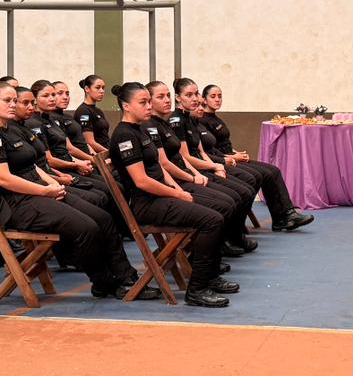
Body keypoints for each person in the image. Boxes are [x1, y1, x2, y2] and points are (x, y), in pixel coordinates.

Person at [0, 81, 152, 300]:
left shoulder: (11, 130)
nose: (13, 105)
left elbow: (32, 166)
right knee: (86, 227)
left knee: (104, 218)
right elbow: (3, 178)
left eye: (15, 100)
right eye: (7, 100)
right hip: (20, 204)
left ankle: (127, 278)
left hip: (40, 192)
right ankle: (103, 282)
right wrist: (44, 191)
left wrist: (52, 184)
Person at [109, 82, 236, 307]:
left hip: (162, 197)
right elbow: (142, 181)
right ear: (126, 106)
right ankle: (197, 289)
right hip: (146, 204)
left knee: (221, 208)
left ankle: (209, 276)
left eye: (149, 101)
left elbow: (159, 167)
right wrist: (177, 195)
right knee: (212, 220)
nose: (149, 106)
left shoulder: (140, 128)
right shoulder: (124, 136)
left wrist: (178, 190)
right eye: (143, 102)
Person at [173, 78, 312, 233]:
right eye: (212, 97)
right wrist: (224, 161)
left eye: (220, 96)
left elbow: (208, 150)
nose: (217, 99)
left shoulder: (201, 120)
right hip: (209, 166)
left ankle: (285, 215)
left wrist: (232, 154)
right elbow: (194, 155)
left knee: (272, 170)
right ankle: (237, 230)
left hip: (219, 160)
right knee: (253, 179)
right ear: (179, 97)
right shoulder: (186, 121)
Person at [144, 81, 256, 257]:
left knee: (240, 192)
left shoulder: (166, 123)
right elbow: (164, 164)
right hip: (176, 183)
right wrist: (189, 181)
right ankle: (207, 257)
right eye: (160, 97)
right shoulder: (157, 125)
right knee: (226, 204)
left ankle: (220, 245)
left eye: (167, 96)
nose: (167, 100)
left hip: (188, 175)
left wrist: (200, 173)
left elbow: (184, 156)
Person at [74, 74, 111, 154]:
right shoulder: (83, 111)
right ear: (87, 89)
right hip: (99, 156)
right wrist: (110, 153)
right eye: (97, 88)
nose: (102, 91)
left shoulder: (98, 110)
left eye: (103, 88)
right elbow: (90, 142)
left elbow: (104, 137)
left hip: (107, 151)